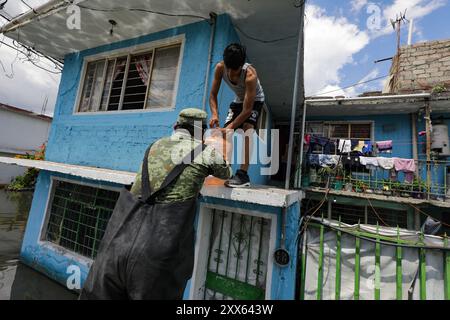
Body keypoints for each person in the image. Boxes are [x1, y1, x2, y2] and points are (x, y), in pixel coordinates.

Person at [79, 108, 231, 300]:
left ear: (176, 126)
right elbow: (227, 173)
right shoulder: (205, 152)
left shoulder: (153, 146)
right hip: (158, 258)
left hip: (117, 244)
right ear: (200, 132)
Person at [209, 43, 265, 188]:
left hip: (255, 101)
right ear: (225, 65)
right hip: (238, 100)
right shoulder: (220, 68)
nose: (233, 75)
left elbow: (247, 110)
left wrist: (233, 126)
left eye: (236, 71)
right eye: (230, 70)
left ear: (242, 65)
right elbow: (213, 95)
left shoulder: (250, 75)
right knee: (224, 133)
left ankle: (242, 175)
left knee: (247, 129)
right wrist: (215, 114)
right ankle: (222, 169)